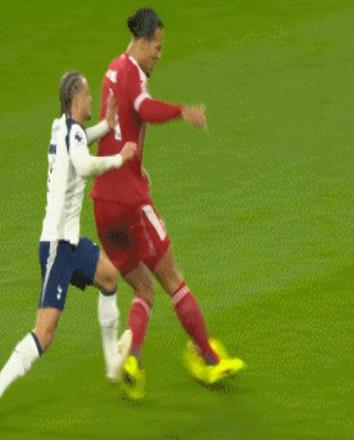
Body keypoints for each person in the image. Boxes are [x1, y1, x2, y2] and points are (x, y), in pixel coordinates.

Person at [91, 7, 245, 399]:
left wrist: (134, 169)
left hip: (103, 206)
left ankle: (132, 361)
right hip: (129, 202)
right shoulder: (134, 74)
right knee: (172, 280)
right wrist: (181, 112)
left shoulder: (112, 71)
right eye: (157, 47)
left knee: (144, 290)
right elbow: (143, 109)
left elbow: (115, 129)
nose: (159, 55)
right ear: (142, 42)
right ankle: (210, 358)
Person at [0, 71, 137, 398]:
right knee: (44, 332)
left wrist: (105, 125)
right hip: (57, 246)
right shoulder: (72, 135)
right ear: (77, 98)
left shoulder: (61, 126)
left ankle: (112, 365)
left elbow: (80, 138)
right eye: (88, 95)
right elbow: (84, 165)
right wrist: (119, 158)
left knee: (109, 277)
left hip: (70, 242)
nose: (91, 99)